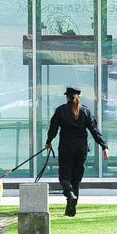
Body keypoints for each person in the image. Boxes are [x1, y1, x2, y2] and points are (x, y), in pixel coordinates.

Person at [45, 86, 110, 217]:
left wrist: (49, 141)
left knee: (64, 177)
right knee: (76, 180)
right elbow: (94, 130)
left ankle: (70, 195)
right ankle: (70, 210)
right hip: (81, 149)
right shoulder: (85, 111)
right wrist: (104, 146)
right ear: (78, 96)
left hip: (66, 148)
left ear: (67, 96)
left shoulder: (61, 110)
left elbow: (53, 128)